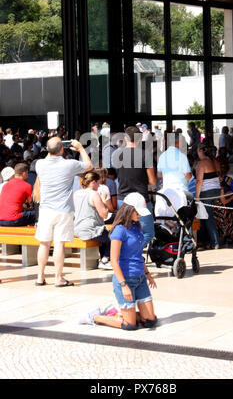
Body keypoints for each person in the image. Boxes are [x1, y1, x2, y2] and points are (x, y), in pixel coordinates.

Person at [79, 193, 157, 330]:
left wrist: (148, 274)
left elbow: (138, 255)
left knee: (150, 321)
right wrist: (123, 285)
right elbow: (114, 261)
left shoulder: (137, 227)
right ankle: (94, 317)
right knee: (130, 325)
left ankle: (122, 313)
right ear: (129, 210)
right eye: (138, 212)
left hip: (140, 279)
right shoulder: (119, 231)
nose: (140, 215)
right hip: (125, 279)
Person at [34, 137, 92, 287]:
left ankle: (40, 276)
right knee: (59, 244)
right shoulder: (69, 164)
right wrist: (80, 148)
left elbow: (49, 154)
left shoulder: (39, 164)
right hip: (64, 210)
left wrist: (51, 148)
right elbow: (89, 166)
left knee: (44, 244)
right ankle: (58, 278)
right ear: (62, 149)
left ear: (47, 149)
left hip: (45, 210)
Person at [112, 126, 156, 247]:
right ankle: (134, 253)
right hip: (140, 198)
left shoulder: (116, 155)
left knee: (126, 232)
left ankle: (129, 254)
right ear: (140, 138)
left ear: (125, 138)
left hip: (123, 199)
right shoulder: (145, 155)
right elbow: (152, 181)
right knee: (148, 232)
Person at [74, 171, 112, 269]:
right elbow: (104, 214)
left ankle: (104, 257)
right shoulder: (94, 194)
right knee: (114, 237)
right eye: (99, 183)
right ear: (94, 182)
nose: (99, 186)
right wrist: (103, 199)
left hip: (77, 228)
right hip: (91, 229)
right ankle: (105, 260)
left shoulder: (76, 193)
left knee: (105, 236)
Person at [195, 144, 221, 249]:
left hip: (207, 192)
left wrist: (197, 196)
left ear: (200, 151)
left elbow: (199, 181)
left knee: (207, 217)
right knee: (210, 216)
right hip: (217, 190)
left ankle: (215, 242)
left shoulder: (201, 164)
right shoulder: (213, 161)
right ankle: (211, 241)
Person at [213, 162, 233, 245]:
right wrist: (232, 197)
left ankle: (231, 236)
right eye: (220, 177)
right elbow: (223, 201)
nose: (221, 178)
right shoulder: (220, 188)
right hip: (220, 213)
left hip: (214, 211)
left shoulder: (211, 187)